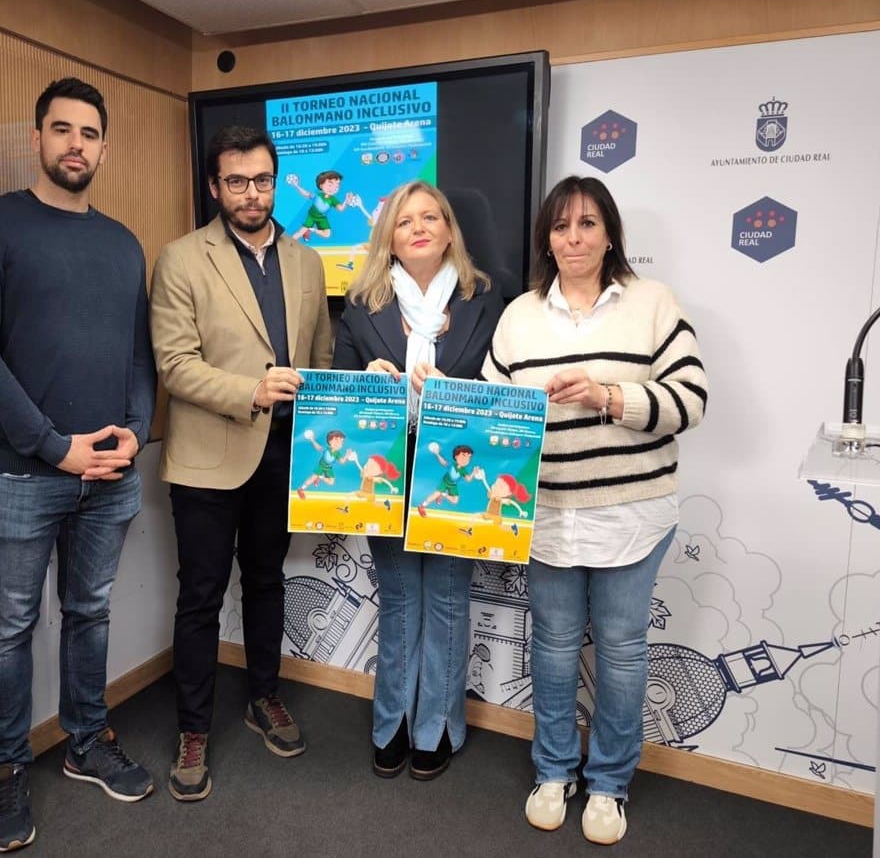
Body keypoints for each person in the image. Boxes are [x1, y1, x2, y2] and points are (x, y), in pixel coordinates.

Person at [0, 77, 157, 853]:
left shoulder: (122, 243)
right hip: (22, 473)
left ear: (103, 147)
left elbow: (138, 356)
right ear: (37, 139)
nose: (76, 144)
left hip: (110, 475)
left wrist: (137, 431)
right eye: (62, 130)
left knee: (90, 612)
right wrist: (52, 445)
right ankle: (5, 770)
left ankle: (86, 741)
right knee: (10, 624)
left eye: (89, 133)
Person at [481, 175, 708, 845]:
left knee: (622, 651)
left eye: (587, 224)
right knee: (552, 650)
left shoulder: (652, 302)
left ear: (610, 234)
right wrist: (439, 397)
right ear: (546, 240)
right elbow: (492, 411)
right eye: (561, 227)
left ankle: (609, 781)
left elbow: (691, 400)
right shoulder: (519, 316)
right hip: (546, 512)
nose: (574, 238)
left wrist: (607, 396)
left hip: (632, 513)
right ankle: (554, 771)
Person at [150, 125, 332, 802]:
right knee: (200, 597)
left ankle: (264, 695)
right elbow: (175, 364)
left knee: (266, 582)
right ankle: (193, 730)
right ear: (214, 186)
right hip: (206, 459)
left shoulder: (308, 261)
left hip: (283, 454)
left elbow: (319, 354)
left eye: (262, 180)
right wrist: (250, 391)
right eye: (236, 181)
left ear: (275, 181)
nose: (251, 193)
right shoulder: (180, 259)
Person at [332, 181, 503, 781]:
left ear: (449, 230)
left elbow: (507, 394)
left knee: (449, 599)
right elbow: (341, 393)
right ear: (390, 238)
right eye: (405, 222)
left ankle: (438, 727)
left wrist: (460, 395)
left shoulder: (488, 299)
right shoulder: (363, 304)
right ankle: (393, 723)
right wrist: (369, 380)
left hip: (456, 475)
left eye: (431, 217)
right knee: (401, 599)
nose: (419, 228)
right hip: (388, 472)